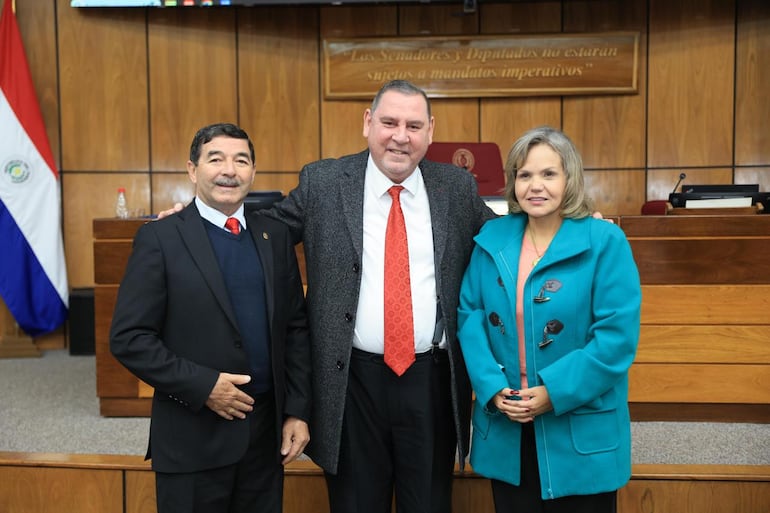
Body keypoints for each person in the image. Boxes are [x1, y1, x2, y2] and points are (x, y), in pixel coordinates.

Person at [110, 123, 312, 513]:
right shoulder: (160, 238)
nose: (229, 170)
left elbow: (295, 329)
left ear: (253, 172)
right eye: (215, 159)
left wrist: (297, 411)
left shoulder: (275, 236)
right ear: (192, 170)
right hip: (192, 438)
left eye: (241, 160)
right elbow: (129, 338)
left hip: (264, 440)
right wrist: (204, 386)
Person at [456, 126, 641, 513]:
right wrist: (492, 388)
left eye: (548, 174)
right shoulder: (491, 237)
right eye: (524, 175)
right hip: (507, 424)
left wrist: (551, 393)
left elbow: (614, 340)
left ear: (569, 179)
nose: (535, 186)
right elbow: (469, 317)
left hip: (579, 428)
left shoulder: (605, 242)